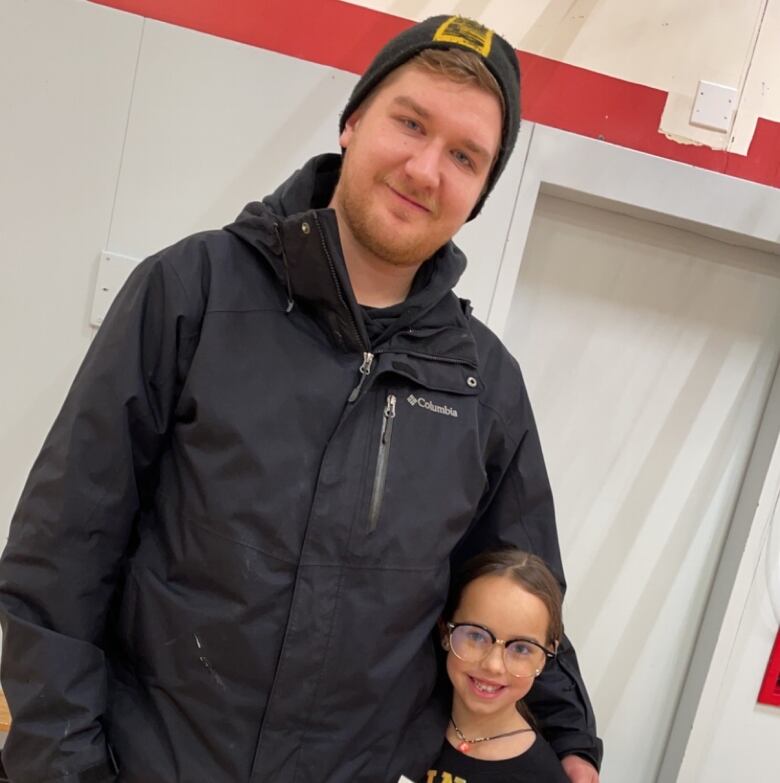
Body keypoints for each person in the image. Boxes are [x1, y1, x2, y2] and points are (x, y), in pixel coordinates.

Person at [0, 14, 602, 783]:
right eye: (409, 122)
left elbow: (523, 594)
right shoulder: (192, 294)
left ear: (480, 193)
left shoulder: (483, 386)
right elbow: (58, 562)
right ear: (353, 121)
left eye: (464, 156)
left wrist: (573, 740)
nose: (425, 168)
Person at [426, 549, 571, 783]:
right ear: (445, 631)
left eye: (522, 648)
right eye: (476, 636)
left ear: (545, 656)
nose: (493, 665)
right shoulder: (401, 729)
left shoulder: (543, 776)